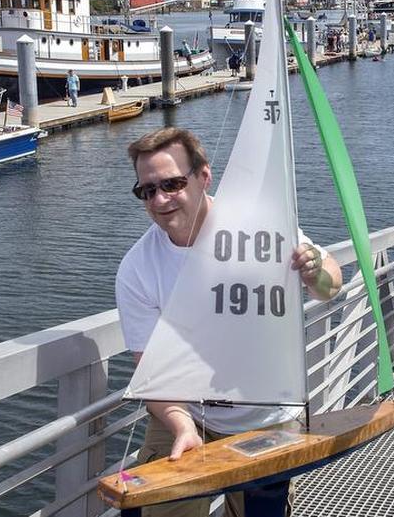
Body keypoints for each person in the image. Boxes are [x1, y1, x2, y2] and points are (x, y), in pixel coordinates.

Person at [116, 127, 343, 517]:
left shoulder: (260, 228)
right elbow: (148, 369)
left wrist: (314, 272)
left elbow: (330, 285)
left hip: (265, 417)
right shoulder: (136, 268)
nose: (160, 199)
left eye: (171, 183)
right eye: (147, 190)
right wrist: (181, 424)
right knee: (160, 508)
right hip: (186, 413)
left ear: (204, 176)